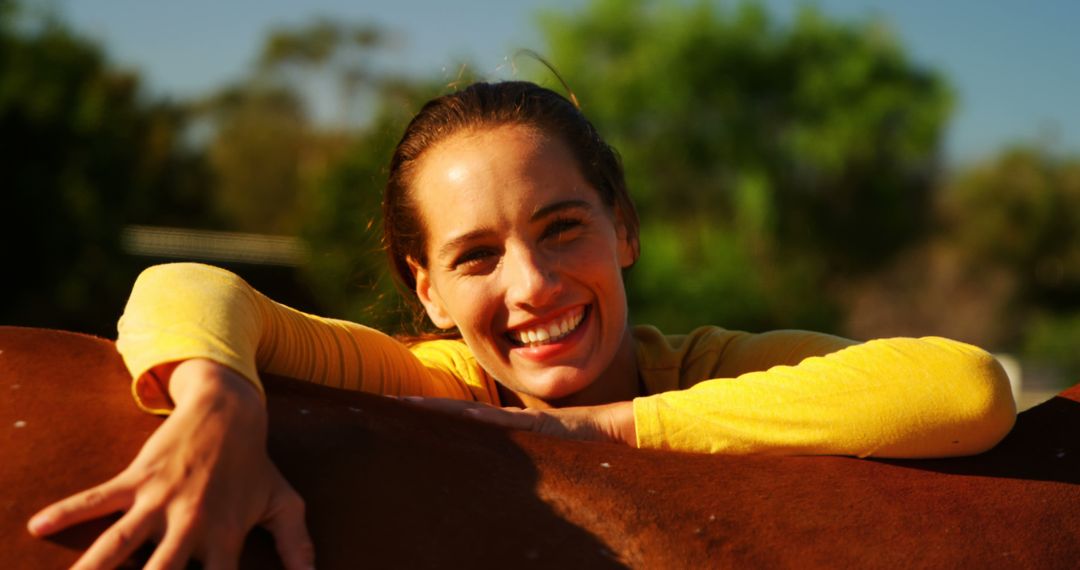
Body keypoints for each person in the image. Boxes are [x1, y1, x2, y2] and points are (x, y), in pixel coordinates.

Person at [27, 81, 1016, 569]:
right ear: (426, 290)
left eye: (561, 228)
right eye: (475, 257)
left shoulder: (703, 371)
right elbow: (186, 283)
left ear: (622, 228)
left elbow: (965, 390)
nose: (533, 284)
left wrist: (610, 429)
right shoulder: (438, 382)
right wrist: (217, 398)